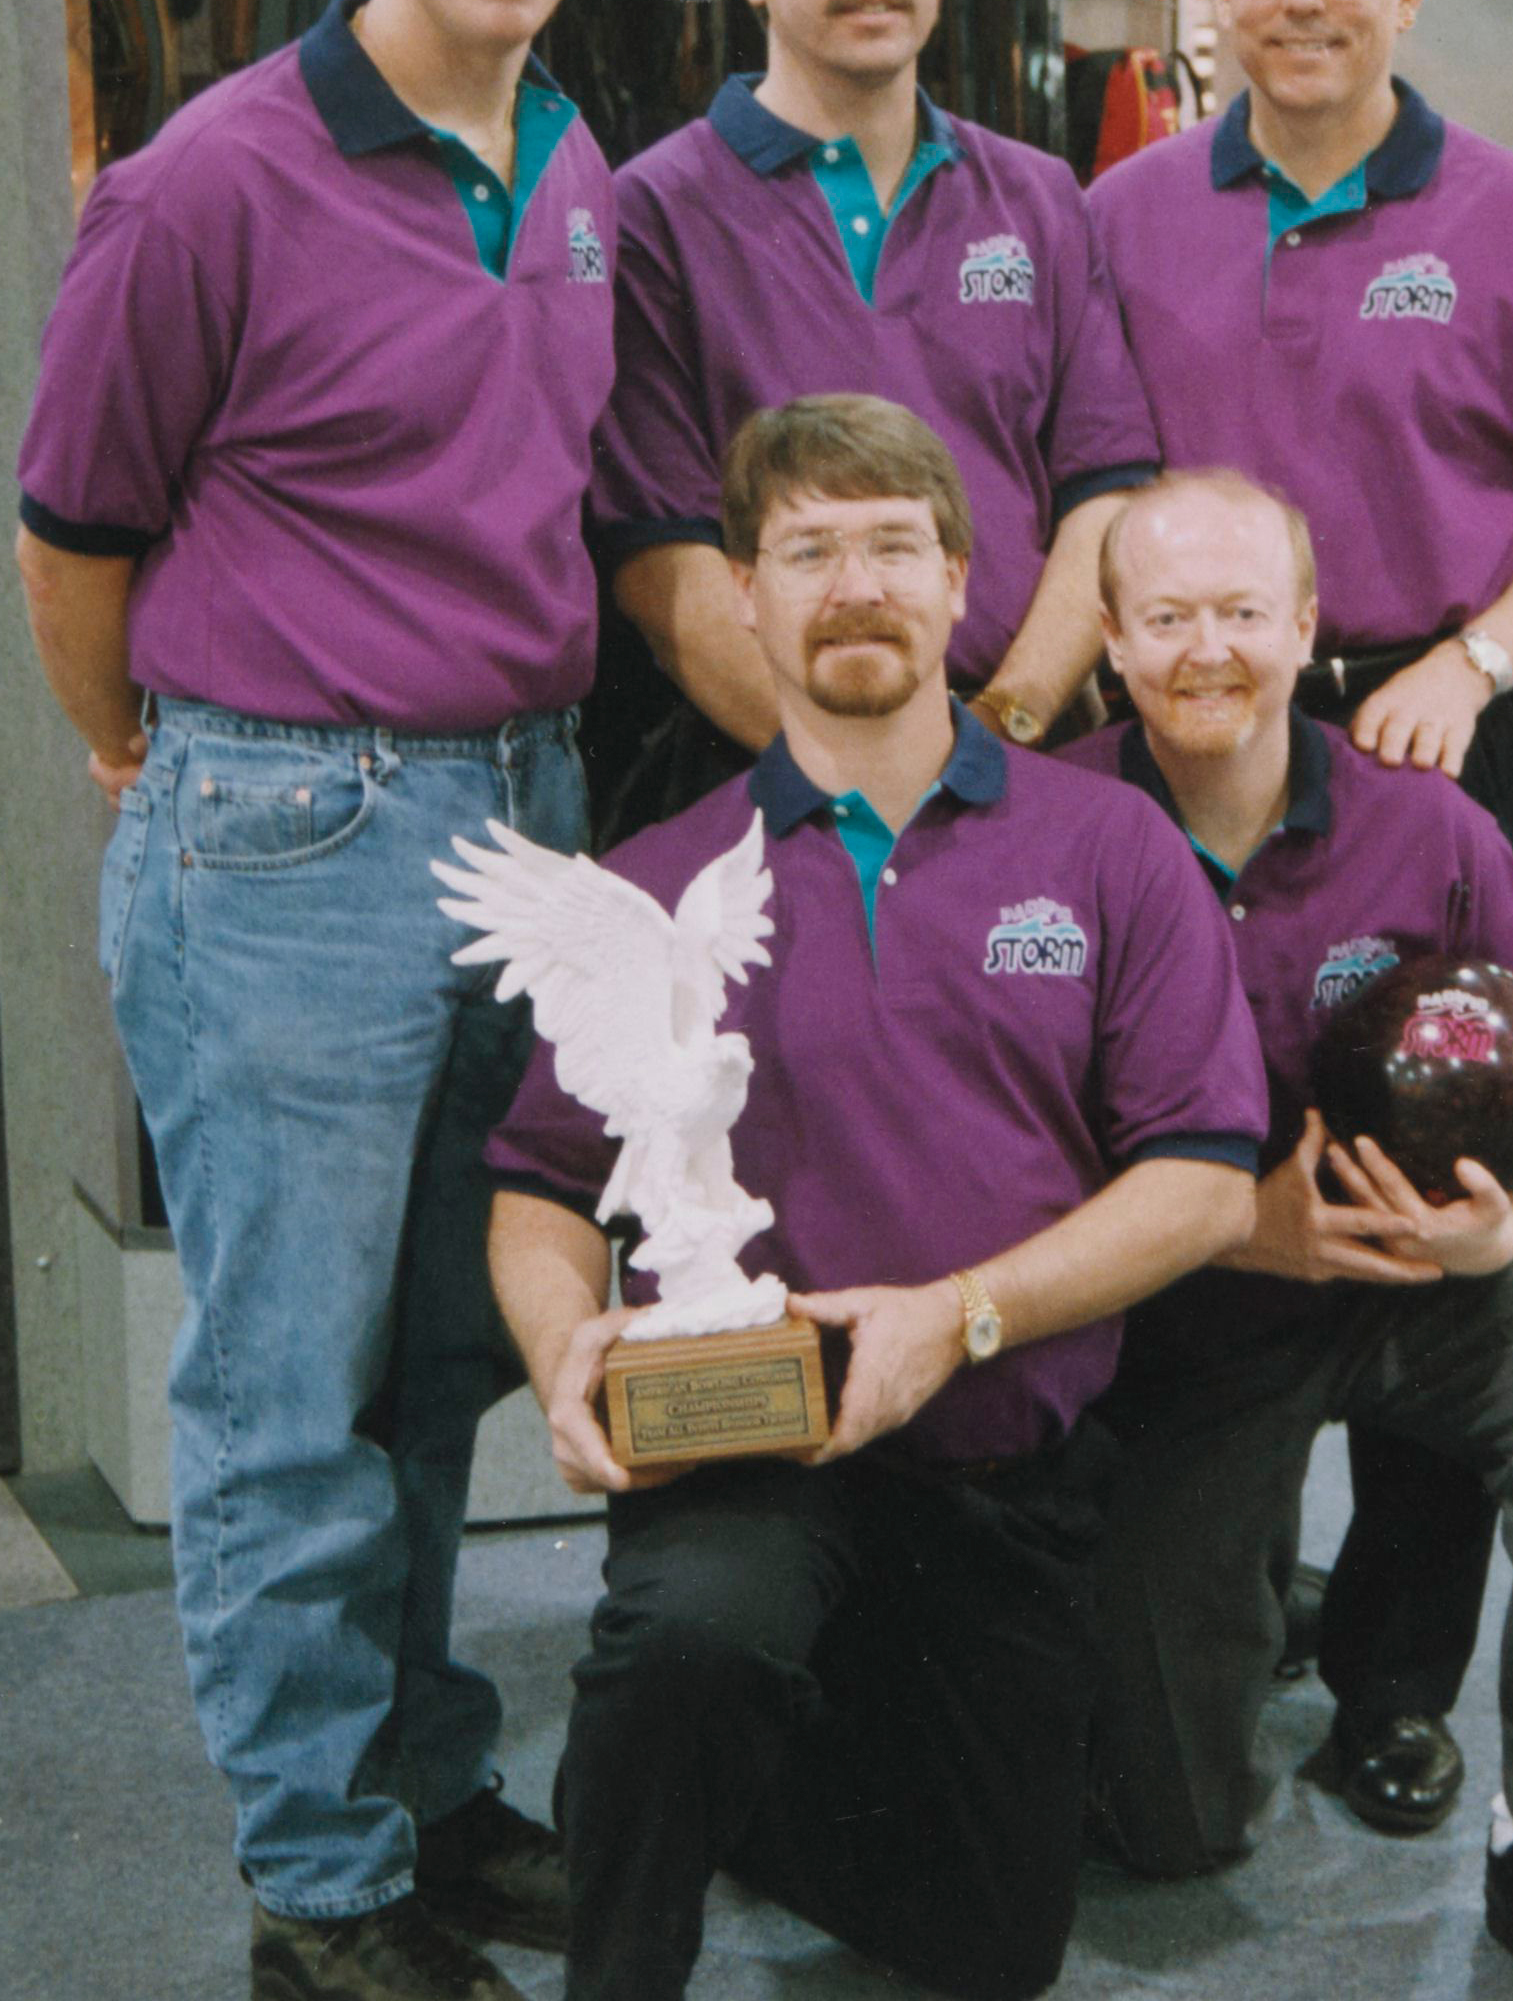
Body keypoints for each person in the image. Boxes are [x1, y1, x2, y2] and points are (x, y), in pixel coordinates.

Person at [15, 0, 615, 2001]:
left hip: (521, 815)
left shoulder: (566, 150)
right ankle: (317, 1884)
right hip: (295, 824)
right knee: (282, 1401)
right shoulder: (209, 178)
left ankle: (419, 1779)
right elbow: (73, 533)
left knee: (433, 1364)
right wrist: (141, 761)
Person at [482, 395, 1266, 2001]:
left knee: (989, 1949)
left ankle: (744, 1774)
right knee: (695, 1638)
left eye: (894, 546)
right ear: (746, 597)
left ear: (961, 579)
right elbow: (541, 1187)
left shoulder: (1108, 849)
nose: (855, 585)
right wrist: (563, 1345)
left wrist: (957, 1316)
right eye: (808, 550)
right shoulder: (653, 883)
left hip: (997, 1458)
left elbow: (1203, 1185)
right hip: (745, 1446)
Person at [1086, 0, 1513, 1828]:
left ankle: (1393, 1680)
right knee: (1207, 1172)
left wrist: (1479, 660)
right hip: (1177, 728)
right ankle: (1224, 1575)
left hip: (1440, 733)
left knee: (1435, 1199)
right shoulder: (1127, 212)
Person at [1064, 469, 1513, 2001]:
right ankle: (1239, 1585)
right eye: (1166, 618)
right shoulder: (1045, 836)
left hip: (1420, 1284)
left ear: (1304, 625)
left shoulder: (1429, 825)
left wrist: (1505, 1238)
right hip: (1178, 1314)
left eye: (1238, 613)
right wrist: (1229, 1228)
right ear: (1108, 639)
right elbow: (994, 1141)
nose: (1205, 650)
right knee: (1171, 1830)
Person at [595, 0, 1158, 776]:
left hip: (1028, 761)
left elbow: (1103, 496)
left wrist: (1011, 723)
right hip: (770, 779)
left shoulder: (1037, 200)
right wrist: (866, 773)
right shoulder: (651, 217)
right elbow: (662, 571)